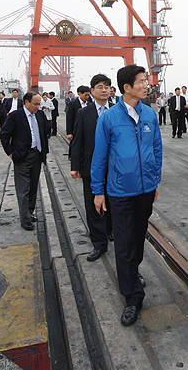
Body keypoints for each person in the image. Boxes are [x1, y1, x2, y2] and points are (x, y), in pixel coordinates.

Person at [91, 65, 162, 326]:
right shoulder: (108, 119)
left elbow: (157, 150)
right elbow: (99, 157)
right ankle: (132, 296)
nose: (147, 85)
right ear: (126, 88)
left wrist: (155, 181)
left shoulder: (150, 115)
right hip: (119, 192)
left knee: (137, 239)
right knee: (123, 243)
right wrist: (98, 191)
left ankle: (133, 271)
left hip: (145, 191)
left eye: (146, 81)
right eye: (142, 82)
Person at [71, 74, 114, 261]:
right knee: (93, 206)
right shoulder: (84, 113)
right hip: (90, 167)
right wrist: (75, 166)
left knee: (113, 204)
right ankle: (99, 244)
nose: (104, 90)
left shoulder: (117, 111)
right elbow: (78, 141)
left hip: (114, 168)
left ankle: (110, 231)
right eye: (99, 86)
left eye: (107, 86)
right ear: (92, 91)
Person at [0, 92, 48, 230]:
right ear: (26, 102)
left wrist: (44, 152)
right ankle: (25, 219)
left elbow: (43, 134)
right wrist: (11, 153)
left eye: (39, 104)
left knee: (33, 187)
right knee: (23, 189)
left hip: (37, 155)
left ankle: (30, 212)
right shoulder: (15, 116)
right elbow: (4, 135)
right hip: (22, 157)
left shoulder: (39, 115)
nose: (37, 107)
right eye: (35, 104)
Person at [66, 85, 92, 158]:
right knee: (75, 143)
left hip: (86, 129)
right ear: (79, 93)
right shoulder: (73, 104)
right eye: (85, 95)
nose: (87, 97)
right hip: (76, 128)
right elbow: (69, 118)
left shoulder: (89, 104)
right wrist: (69, 132)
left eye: (88, 95)